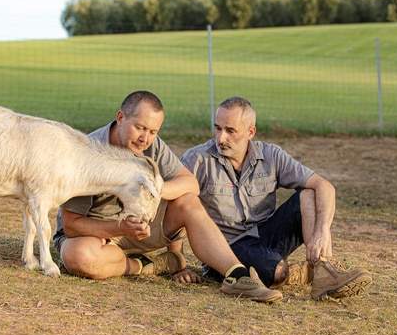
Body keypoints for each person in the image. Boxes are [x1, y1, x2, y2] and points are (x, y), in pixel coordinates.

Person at [53, 91, 282, 303]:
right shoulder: (87, 153)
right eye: (140, 128)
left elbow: (190, 183)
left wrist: (154, 189)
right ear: (121, 118)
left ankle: (237, 276)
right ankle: (145, 266)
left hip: (140, 229)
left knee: (187, 200)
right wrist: (120, 228)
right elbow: (72, 226)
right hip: (96, 236)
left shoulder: (150, 145)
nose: (145, 139)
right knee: (78, 256)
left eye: (153, 132)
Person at [181, 96, 372, 300]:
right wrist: (178, 264)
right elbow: (178, 206)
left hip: (266, 236)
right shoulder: (197, 159)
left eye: (230, 131)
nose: (220, 138)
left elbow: (324, 186)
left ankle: (324, 270)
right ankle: (295, 273)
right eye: (217, 128)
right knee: (277, 273)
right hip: (227, 249)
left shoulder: (271, 155)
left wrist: (322, 230)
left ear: (250, 132)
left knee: (308, 194)